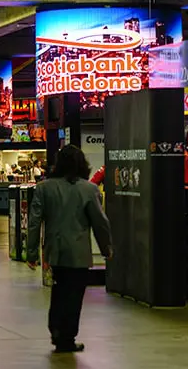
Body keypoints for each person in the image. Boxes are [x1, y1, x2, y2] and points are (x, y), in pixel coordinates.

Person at [26, 145, 114, 353]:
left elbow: (34, 222)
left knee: (58, 291)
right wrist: (106, 248)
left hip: (55, 252)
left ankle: (56, 329)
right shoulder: (89, 189)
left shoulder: (44, 188)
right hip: (78, 253)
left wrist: (31, 253)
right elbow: (100, 223)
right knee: (74, 295)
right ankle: (67, 337)